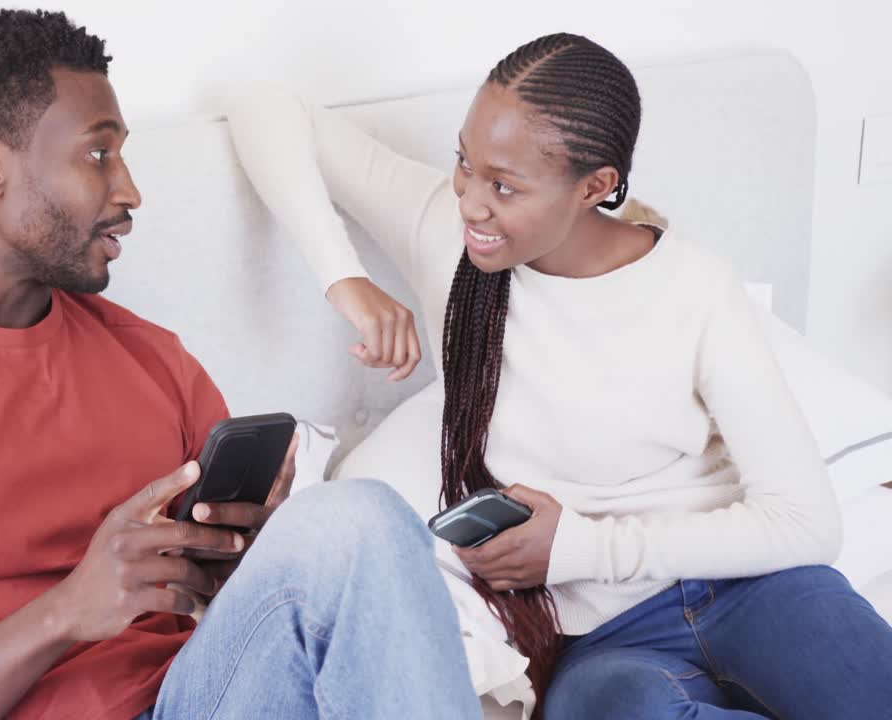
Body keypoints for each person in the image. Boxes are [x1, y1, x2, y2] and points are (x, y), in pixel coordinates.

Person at [0, 9, 483, 720]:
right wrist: (68, 612)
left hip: (198, 695)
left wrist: (247, 555)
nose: (129, 191)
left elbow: (233, 601)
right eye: (98, 154)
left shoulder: (153, 360)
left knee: (353, 520)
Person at [226, 32, 892, 719]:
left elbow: (808, 524)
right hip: (602, 642)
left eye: (505, 186)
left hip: (756, 590)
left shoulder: (694, 291)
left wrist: (580, 545)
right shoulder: (446, 233)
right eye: (465, 163)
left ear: (596, 187)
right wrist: (346, 281)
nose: (471, 203)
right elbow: (267, 107)